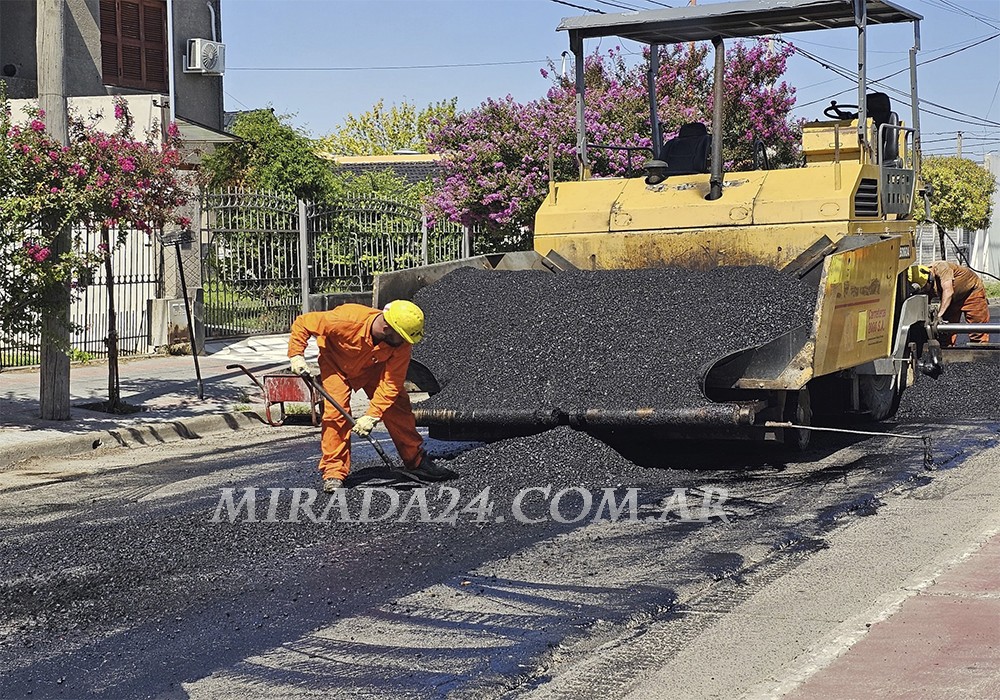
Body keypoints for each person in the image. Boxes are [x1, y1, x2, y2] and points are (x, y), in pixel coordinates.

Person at [287, 300, 455, 492]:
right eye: (402, 337)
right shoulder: (343, 320)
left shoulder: (401, 343)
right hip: (336, 366)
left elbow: (392, 383)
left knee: (397, 406)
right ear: (386, 328)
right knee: (335, 415)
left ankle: (415, 461)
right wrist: (296, 354)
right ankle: (334, 472)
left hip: (373, 367)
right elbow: (303, 322)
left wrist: (372, 415)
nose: (405, 343)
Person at [908, 261, 990, 345]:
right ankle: (947, 352)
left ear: (930, 279)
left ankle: (980, 352)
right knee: (945, 331)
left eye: (925, 287)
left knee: (977, 329)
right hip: (952, 299)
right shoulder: (921, 281)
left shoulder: (941, 268)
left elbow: (948, 291)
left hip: (971, 292)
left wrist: (939, 315)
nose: (924, 291)